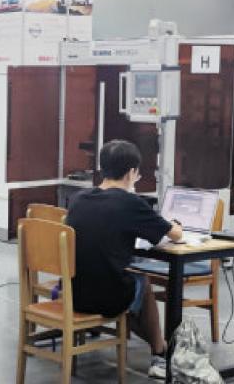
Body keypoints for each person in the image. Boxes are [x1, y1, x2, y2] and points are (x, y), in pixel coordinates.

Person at [66, 139, 182, 379]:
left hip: (72, 295)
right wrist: (175, 224)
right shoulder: (130, 203)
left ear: (102, 168)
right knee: (142, 280)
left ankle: (154, 342)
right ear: (131, 173)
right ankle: (159, 352)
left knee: (126, 278)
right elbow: (175, 234)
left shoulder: (78, 198)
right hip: (106, 300)